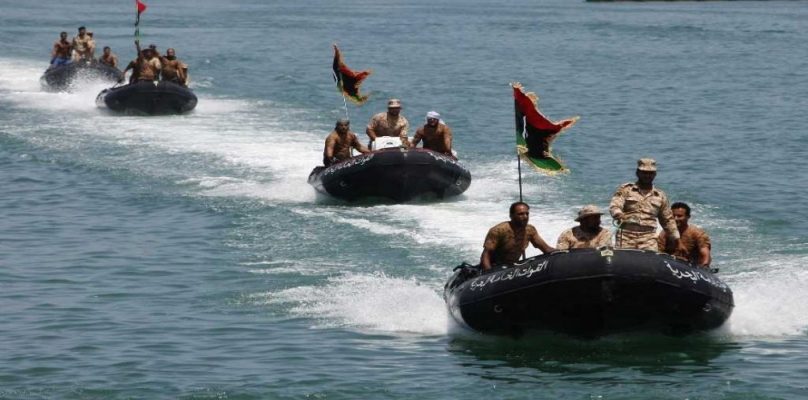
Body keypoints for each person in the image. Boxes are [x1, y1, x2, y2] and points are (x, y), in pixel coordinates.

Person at [609, 158, 679, 251]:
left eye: (650, 173)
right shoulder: (626, 189)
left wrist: (676, 239)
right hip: (626, 236)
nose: (647, 176)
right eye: (644, 172)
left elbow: (667, 220)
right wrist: (618, 214)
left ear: (655, 174)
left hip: (648, 239)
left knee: (650, 260)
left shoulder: (660, 195)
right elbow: (615, 205)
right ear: (637, 173)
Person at [480, 202, 556, 271]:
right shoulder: (499, 230)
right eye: (520, 214)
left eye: (527, 214)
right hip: (494, 267)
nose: (525, 217)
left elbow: (546, 249)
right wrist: (489, 273)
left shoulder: (530, 230)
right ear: (511, 215)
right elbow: (486, 255)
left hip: (512, 268)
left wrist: (561, 253)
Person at [657, 202, 712, 268]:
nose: (675, 219)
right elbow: (659, 252)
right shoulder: (665, 233)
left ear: (688, 217)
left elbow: (705, 255)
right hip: (671, 266)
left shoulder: (697, 234)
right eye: (673, 216)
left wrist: (705, 267)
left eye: (679, 216)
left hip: (692, 267)